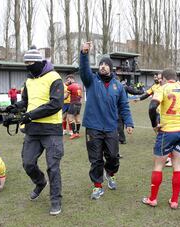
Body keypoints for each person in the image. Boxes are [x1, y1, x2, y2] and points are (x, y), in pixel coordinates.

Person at [7, 45, 64, 215]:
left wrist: (30, 115)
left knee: (53, 167)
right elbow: (26, 101)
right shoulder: (29, 80)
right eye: (26, 63)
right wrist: (14, 107)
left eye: (31, 63)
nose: (28, 66)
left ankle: (55, 200)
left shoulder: (55, 78)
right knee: (28, 163)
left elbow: (55, 104)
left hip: (51, 130)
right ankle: (40, 183)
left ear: (39, 62)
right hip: (32, 130)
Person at [141, 68, 180, 209]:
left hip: (167, 132)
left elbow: (152, 107)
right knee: (178, 165)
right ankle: (174, 201)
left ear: (163, 78)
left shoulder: (163, 88)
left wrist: (154, 125)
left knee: (158, 166)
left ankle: (153, 199)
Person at [80, 41, 134, 200]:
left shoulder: (118, 86)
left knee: (113, 156)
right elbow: (83, 70)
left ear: (111, 68)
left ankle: (110, 173)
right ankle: (97, 186)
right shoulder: (91, 81)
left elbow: (124, 106)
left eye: (106, 64)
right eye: (101, 64)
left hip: (111, 127)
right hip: (93, 127)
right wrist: (84, 54)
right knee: (95, 159)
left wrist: (129, 122)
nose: (103, 66)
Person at [118, 77, 144, 145]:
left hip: (120, 108)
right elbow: (135, 92)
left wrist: (141, 90)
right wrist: (141, 90)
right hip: (123, 107)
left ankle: (122, 139)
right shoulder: (125, 87)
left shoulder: (123, 87)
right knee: (120, 123)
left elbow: (135, 92)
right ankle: (121, 138)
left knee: (119, 123)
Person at [66, 74, 83, 139]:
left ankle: (74, 133)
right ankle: (77, 133)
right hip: (79, 103)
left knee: (70, 118)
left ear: (71, 78)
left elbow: (66, 96)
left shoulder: (70, 86)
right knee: (77, 119)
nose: (67, 81)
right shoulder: (79, 86)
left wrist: (60, 98)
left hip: (73, 103)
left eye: (68, 80)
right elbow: (81, 96)